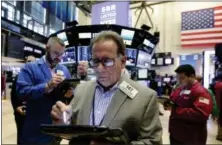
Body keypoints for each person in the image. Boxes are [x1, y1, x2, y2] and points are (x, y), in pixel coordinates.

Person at [51, 31, 163, 145]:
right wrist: (62, 120)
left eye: (107, 61)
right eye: (95, 61)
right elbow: (72, 125)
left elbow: (153, 141)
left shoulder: (145, 98)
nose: (99, 68)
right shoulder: (81, 89)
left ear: (123, 61)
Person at [16, 37, 71, 144]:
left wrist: (69, 94)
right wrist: (47, 86)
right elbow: (21, 92)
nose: (59, 58)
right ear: (47, 48)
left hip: (56, 130)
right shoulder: (30, 68)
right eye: (56, 53)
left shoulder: (64, 70)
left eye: (61, 54)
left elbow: (67, 95)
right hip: (35, 131)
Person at [164, 64, 213, 145]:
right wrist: (167, 104)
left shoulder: (201, 92)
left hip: (191, 137)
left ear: (192, 76)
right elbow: (173, 100)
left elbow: (201, 114)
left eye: (182, 78)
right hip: (176, 134)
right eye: (178, 78)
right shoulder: (180, 89)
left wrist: (175, 110)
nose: (179, 81)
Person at [11, 55, 36, 144]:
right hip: (21, 113)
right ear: (25, 62)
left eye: (33, 62)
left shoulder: (37, 78)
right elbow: (13, 94)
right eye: (29, 61)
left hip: (34, 113)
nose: (31, 63)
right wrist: (17, 107)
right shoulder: (19, 76)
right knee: (21, 136)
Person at [214, 74, 222, 141]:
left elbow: (218, 98)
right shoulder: (219, 85)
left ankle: (219, 135)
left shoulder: (218, 85)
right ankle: (220, 135)